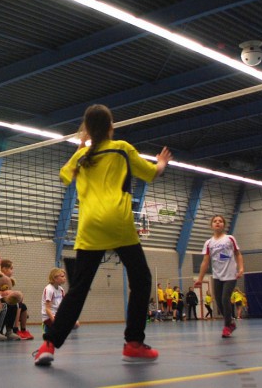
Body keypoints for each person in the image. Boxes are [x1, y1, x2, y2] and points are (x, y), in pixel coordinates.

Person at [35, 104, 171, 366]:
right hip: (119, 224)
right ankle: (133, 342)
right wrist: (162, 162)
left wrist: (80, 147)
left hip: (90, 227)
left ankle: (48, 345)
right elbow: (151, 173)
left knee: (78, 289)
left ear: (87, 130)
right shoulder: (121, 148)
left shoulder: (82, 156)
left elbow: (64, 176)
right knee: (141, 280)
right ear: (111, 127)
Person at [195, 215, 245, 337]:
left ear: (224, 224)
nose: (218, 223)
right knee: (218, 301)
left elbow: (238, 254)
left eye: (220, 221)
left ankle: (227, 326)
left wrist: (241, 268)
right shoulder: (209, 243)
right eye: (215, 221)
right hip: (217, 276)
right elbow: (205, 262)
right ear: (211, 225)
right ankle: (230, 323)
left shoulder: (229, 239)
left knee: (225, 298)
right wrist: (200, 279)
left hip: (230, 274)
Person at [1, 259, 32, 339]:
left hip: (7, 299)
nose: (12, 271)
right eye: (11, 269)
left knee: (23, 307)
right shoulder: (1, 278)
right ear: (4, 269)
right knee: (18, 304)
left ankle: (23, 330)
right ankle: (15, 329)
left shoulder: (9, 280)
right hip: (1, 300)